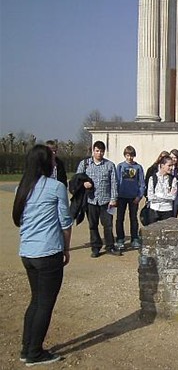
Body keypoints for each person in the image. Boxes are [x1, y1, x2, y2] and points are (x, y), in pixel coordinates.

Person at [12, 145, 73, 365]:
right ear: (45, 163)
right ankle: (34, 353)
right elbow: (65, 222)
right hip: (48, 252)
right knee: (44, 304)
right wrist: (66, 249)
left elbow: (18, 219)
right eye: (52, 159)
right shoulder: (55, 187)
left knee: (36, 301)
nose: (55, 163)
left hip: (27, 252)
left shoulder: (24, 187)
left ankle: (26, 347)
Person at [76, 140, 120, 258]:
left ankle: (110, 246)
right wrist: (83, 184)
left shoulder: (110, 165)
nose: (99, 153)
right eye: (97, 151)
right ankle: (95, 247)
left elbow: (114, 183)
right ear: (93, 151)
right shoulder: (84, 164)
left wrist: (113, 198)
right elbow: (77, 179)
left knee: (108, 225)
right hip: (91, 200)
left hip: (106, 200)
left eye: (101, 151)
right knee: (93, 225)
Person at [116, 146, 145, 250]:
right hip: (121, 197)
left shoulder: (138, 167)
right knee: (120, 219)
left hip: (133, 198)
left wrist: (139, 196)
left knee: (133, 218)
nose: (130, 158)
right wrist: (115, 196)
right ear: (125, 155)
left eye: (131, 155)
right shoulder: (120, 166)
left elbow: (142, 183)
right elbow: (116, 182)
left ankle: (134, 238)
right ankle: (120, 239)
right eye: (128, 155)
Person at [147, 155, 177, 223]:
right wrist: (166, 196)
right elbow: (150, 197)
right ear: (162, 165)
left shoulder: (173, 179)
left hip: (167, 210)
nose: (171, 168)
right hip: (154, 209)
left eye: (172, 165)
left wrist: (158, 195)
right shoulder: (152, 178)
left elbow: (173, 197)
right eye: (169, 165)